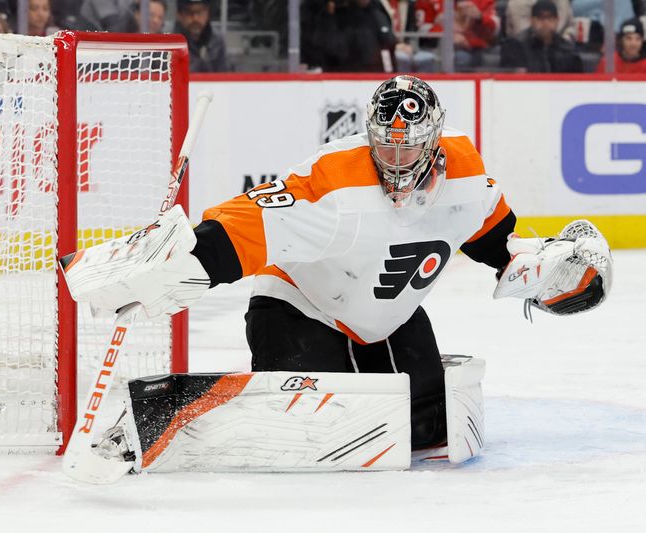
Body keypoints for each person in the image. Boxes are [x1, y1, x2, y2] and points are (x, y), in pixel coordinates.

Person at [61, 76, 612, 466]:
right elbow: (246, 224)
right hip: (299, 308)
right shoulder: (334, 184)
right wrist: (176, 263)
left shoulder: (467, 178)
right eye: (385, 146)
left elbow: (498, 239)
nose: (396, 161)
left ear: (435, 139)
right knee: (307, 437)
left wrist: (539, 271)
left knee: (429, 437)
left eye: (410, 147)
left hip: (390, 318)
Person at [500, 0, 583, 72]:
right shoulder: (516, 48)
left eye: (550, 18)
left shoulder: (568, 50)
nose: (545, 23)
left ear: (557, 21)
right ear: (532, 20)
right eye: (540, 18)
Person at [174, 0, 228, 72]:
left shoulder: (217, 41)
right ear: (179, 15)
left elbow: (223, 78)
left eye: (200, 12)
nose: (195, 18)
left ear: (208, 14)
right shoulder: (169, 42)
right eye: (189, 13)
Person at [505, 0, 575, 41]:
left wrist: (566, 37)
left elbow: (570, 26)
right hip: (525, 52)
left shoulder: (563, 2)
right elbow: (524, 36)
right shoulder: (518, 3)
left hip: (558, 48)